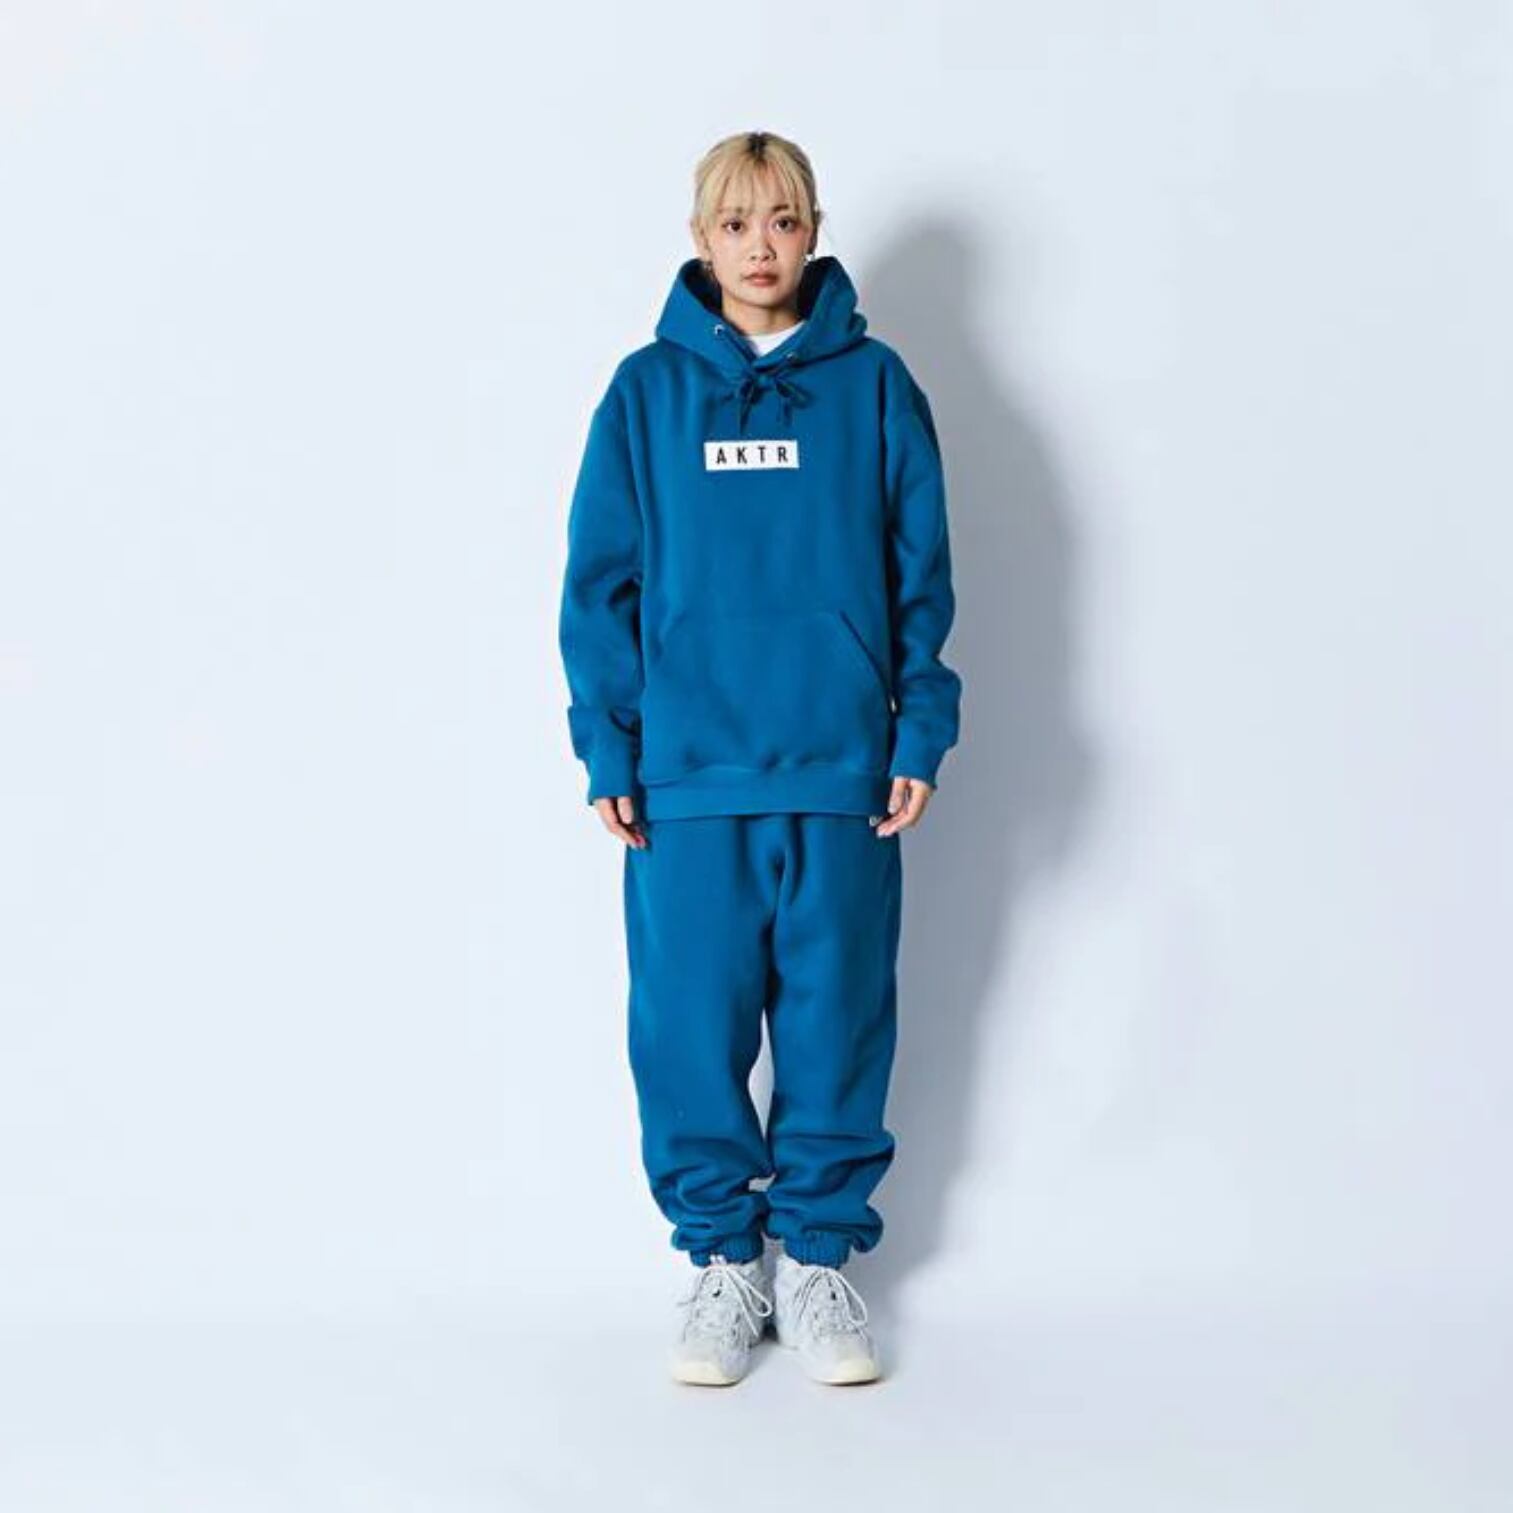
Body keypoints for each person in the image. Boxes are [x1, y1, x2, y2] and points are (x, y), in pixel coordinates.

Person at [557, 129, 963, 1386]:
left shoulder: (875, 386)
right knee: (687, 1024)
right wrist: (609, 741)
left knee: (838, 1015)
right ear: (701, 240)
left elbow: (921, 574)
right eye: (735, 224)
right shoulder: (645, 394)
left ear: (813, 231)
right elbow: (599, 582)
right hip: (687, 774)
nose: (760, 247)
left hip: (841, 766)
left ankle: (819, 1259)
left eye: (782, 221)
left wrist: (918, 723)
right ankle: (725, 1261)